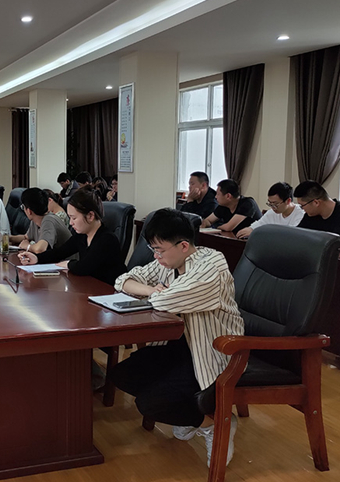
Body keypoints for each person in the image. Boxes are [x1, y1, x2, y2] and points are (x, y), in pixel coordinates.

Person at [110, 208, 244, 467]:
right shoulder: (169, 262)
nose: (156, 256)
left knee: (150, 404)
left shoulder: (211, 264)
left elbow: (166, 301)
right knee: (122, 375)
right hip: (179, 345)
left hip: (213, 351)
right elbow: (123, 280)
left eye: (159, 250)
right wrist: (152, 290)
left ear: (183, 245)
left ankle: (214, 424)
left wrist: (154, 294)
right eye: (153, 250)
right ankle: (189, 413)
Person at [18, 188, 126, 284]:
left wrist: (68, 264)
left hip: (109, 292)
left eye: (74, 218)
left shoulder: (107, 239)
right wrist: (37, 258)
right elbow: (59, 252)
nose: (70, 223)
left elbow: (84, 267)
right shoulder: (82, 236)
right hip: (89, 288)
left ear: (90, 216)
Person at [2, 188, 72, 254]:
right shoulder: (36, 219)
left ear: (29, 211)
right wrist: (7, 237)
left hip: (65, 261)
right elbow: (26, 237)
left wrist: (27, 246)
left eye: (23, 207)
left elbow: (40, 249)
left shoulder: (49, 220)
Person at [236, 182, 305, 238]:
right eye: (270, 203)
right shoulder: (272, 213)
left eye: (275, 204)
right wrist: (250, 229)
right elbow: (259, 224)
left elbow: (290, 235)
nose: (273, 207)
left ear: (288, 201)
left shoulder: (301, 214)